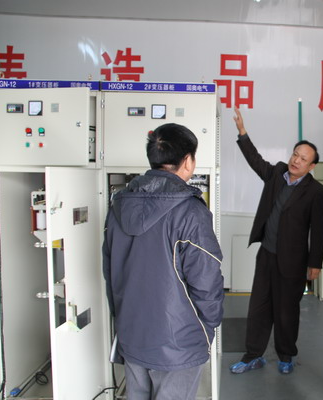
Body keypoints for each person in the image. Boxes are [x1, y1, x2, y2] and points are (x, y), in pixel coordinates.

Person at [102, 123, 224, 400]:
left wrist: (122, 320)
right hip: (179, 341)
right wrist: (207, 328)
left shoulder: (119, 206)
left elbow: (111, 273)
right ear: (188, 161)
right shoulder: (190, 212)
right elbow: (207, 282)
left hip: (132, 333)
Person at [229, 106, 323, 375]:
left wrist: (315, 263)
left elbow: (319, 229)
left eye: (303, 159)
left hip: (293, 262)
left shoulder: (315, 191)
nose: (296, 160)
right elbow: (255, 160)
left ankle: (286, 355)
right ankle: (253, 355)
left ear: (311, 166)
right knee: (258, 307)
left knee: (286, 311)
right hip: (267, 254)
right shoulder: (276, 174)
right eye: (295, 154)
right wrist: (242, 133)